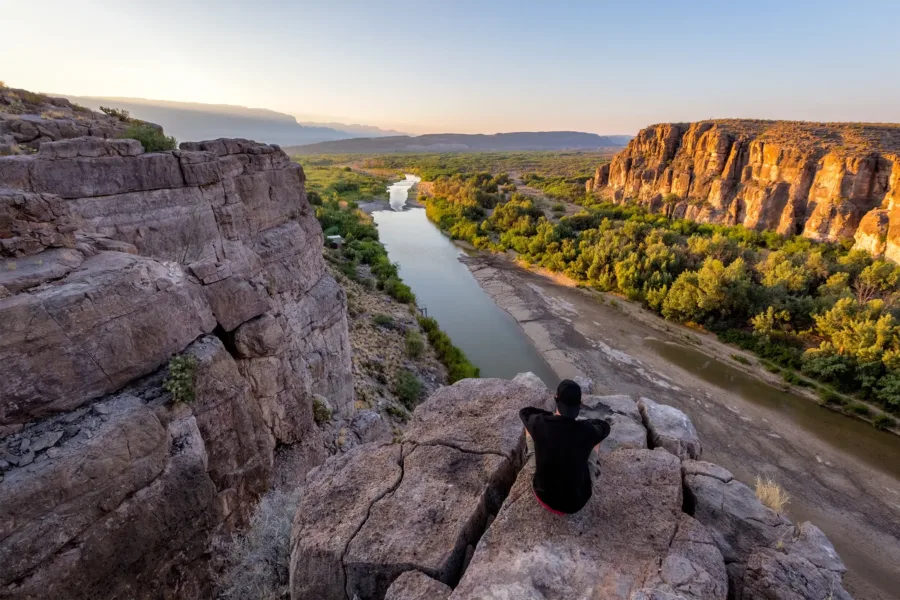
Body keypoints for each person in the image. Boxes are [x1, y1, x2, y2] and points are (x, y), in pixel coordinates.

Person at [519, 379, 611, 515]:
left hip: (543, 496)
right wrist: (586, 423)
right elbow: (604, 426)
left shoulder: (541, 423)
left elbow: (525, 412)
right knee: (596, 439)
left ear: (556, 399)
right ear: (579, 405)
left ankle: (533, 462)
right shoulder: (587, 431)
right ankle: (591, 465)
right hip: (576, 503)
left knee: (529, 429)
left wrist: (550, 415)